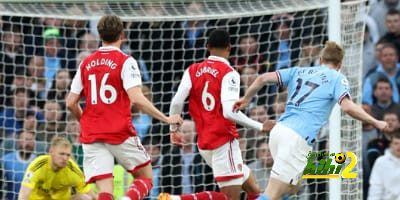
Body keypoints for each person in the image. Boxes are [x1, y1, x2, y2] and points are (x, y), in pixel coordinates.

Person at [233, 41, 390, 200]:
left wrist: (246, 98)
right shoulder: (337, 78)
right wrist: (376, 122)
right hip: (296, 138)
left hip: (278, 132)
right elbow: (348, 107)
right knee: (273, 192)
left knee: (293, 187)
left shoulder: (299, 70)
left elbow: (263, 78)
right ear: (340, 64)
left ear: (320, 60)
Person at [65, 15, 183, 200]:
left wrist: (86, 121)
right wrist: (166, 119)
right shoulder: (126, 61)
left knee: (105, 192)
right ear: (122, 34)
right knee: (145, 177)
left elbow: (70, 102)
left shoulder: (85, 63)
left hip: (92, 134)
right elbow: (136, 98)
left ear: (99, 35)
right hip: (118, 131)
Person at [160, 29, 275, 200]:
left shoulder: (192, 70)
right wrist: (260, 126)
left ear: (207, 47)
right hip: (223, 141)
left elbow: (177, 102)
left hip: (204, 143)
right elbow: (229, 112)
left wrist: (173, 130)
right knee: (229, 197)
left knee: (253, 188)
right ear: (229, 47)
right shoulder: (229, 73)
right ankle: (175, 199)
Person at [18, 136, 97, 200]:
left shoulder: (73, 170)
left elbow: (91, 195)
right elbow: (24, 194)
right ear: (51, 151)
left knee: (85, 198)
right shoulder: (38, 166)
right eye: (61, 154)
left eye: (68, 155)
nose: (65, 158)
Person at [368, 131, 400, 200]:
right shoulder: (381, 162)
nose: (399, 146)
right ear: (390, 145)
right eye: (396, 143)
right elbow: (376, 187)